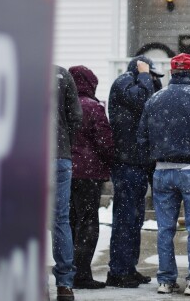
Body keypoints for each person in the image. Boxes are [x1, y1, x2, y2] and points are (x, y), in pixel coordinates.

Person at [137, 53, 190, 296]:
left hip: (162, 170)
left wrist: (149, 165)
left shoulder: (155, 99)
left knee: (165, 229)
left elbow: (142, 137)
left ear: (172, 72)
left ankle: (165, 279)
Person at [106, 56, 164, 288]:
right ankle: (119, 271)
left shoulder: (137, 85)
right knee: (125, 218)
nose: (152, 81)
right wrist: (143, 75)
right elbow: (141, 100)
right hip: (126, 163)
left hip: (136, 162)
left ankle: (127, 267)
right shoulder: (125, 83)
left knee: (134, 219)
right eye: (150, 76)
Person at [69, 65, 115, 289]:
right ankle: (82, 274)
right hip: (88, 173)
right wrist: (111, 159)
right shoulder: (93, 107)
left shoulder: (61, 106)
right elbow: (105, 142)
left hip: (64, 171)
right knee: (88, 223)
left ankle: (67, 272)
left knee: (68, 221)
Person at [53, 65, 83, 301]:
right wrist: (64, 144)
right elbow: (75, 117)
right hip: (58, 156)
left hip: (26, 157)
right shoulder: (61, 74)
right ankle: (64, 284)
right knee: (60, 220)